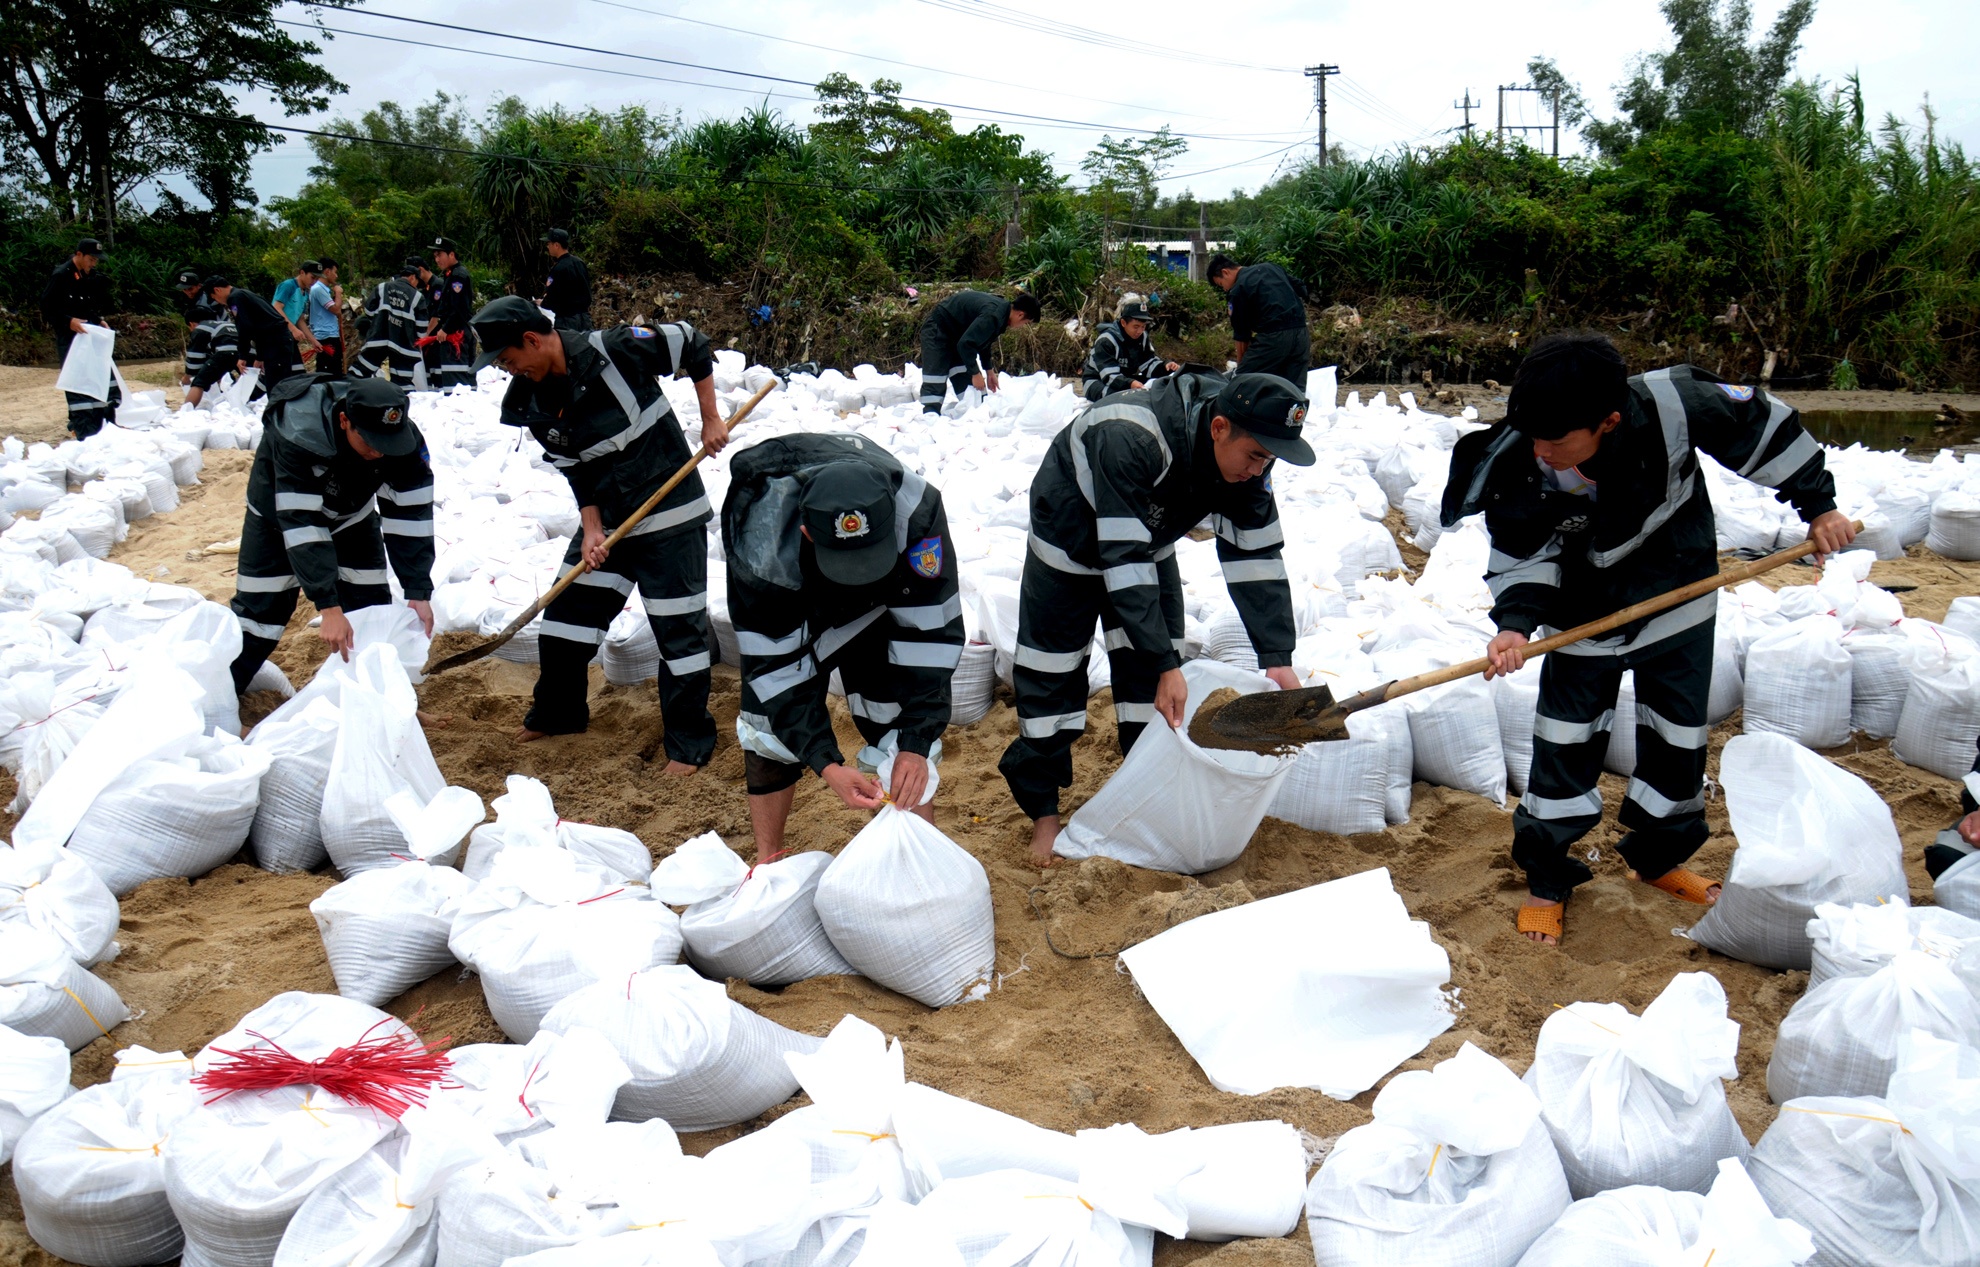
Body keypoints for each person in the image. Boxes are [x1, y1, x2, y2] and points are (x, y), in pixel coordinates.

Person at [1445, 332, 1857, 947]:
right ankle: (1548, 878)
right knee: (1565, 740)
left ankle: (1659, 858)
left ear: (1608, 421)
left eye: (1557, 441)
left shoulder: (1674, 403)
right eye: (1534, 436)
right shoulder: (1516, 456)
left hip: (1676, 586)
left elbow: (1765, 431)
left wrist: (1818, 508)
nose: (1542, 450)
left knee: (1677, 736)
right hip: (1581, 612)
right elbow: (1521, 554)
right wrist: (1513, 625)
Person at [1000, 371, 1314, 865]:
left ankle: (1139, 787)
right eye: (1256, 455)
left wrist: (1277, 658)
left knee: (1153, 683)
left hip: (1146, 541)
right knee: (1051, 675)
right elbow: (1121, 561)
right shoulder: (1130, 435)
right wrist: (1167, 663)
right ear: (1219, 428)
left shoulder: (1249, 463)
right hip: (1070, 541)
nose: (1259, 470)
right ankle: (1045, 814)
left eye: (1269, 459)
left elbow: (1258, 559)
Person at [470, 295, 726, 772]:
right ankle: (558, 715)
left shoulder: (617, 349)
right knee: (565, 619)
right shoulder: (529, 400)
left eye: (508, 360)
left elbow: (693, 344)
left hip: (669, 516)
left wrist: (710, 417)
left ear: (531, 340)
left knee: (680, 637)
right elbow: (575, 470)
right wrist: (590, 531)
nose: (509, 371)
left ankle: (689, 745)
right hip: (609, 525)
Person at [723, 433, 965, 861]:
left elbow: (932, 634)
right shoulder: (763, 552)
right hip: (801, 601)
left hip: (886, 603)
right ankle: (769, 858)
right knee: (766, 722)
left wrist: (915, 741)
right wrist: (827, 764)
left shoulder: (917, 513)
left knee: (895, 715)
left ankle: (918, 859)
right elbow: (775, 670)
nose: (859, 574)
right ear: (806, 534)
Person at [226, 376, 435, 693]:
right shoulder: (299, 433)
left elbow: (411, 511)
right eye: (370, 442)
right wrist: (329, 608)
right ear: (344, 421)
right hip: (278, 519)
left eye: (386, 444)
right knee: (260, 619)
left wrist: (417, 587)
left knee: (371, 613)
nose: (379, 453)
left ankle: (380, 699)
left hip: (352, 515)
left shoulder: (402, 441)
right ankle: (222, 704)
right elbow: (302, 521)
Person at [41, 238, 119, 438]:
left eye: (96, 260)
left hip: (87, 336)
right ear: (79, 255)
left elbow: (85, 306)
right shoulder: (61, 276)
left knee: (96, 378)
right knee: (79, 384)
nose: (93, 264)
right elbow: (47, 308)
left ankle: (99, 425)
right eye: (91, 259)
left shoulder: (85, 276)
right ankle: (82, 429)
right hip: (70, 339)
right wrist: (68, 322)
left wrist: (97, 320)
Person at [916, 289, 1040, 413]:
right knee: (935, 376)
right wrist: (976, 374)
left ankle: (972, 412)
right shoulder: (993, 315)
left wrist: (989, 372)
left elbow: (983, 342)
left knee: (968, 383)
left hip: (958, 335)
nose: (1022, 326)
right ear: (1020, 315)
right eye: (1026, 322)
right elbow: (966, 344)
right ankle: (929, 415)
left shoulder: (1001, 315)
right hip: (938, 329)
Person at [1206, 254, 1310, 387]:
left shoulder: (1238, 290)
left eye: (1221, 285)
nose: (1225, 289)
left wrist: (1242, 368)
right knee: (1294, 387)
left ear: (1225, 272)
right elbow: (1302, 288)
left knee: (1243, 381)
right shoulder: (1271, 268)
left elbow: (1242, 335)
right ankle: (1295, 406)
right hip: (1301, 333)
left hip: (1273, 337)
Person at [212, 277, 307, 390]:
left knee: (277, 387)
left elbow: (244, 327)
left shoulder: (234, 298)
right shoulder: (244, 294)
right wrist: (261, 356)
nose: (218, 302)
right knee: (278, 384)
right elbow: (261, 328)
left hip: (276, 342)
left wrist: (243, 356)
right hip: (277, 341)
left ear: (217, 290)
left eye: (214, 298)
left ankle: (280, 407)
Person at [1080, 293, 1178, 401]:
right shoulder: (1106, 341)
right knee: (1118, 398)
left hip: (1124, 379)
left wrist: (1165, 366)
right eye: (1136, 327)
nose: (1140, 331)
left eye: (1143, 326)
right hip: (1098, 380)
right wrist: (1130, 383)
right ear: (1123, 323)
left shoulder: (1142, 337)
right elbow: (1109, 376)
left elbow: (1148, 363)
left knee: (1156, 388)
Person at [352, 258, 429, 386]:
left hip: (378, 340)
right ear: (412, 277)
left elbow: (368, 311)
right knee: (402, 382)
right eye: (417, 282)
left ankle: (349, 397)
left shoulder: (382, 287)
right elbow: (421, 328)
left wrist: (381, 321)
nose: (416, 286)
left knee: (360, 372)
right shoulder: (417, 296)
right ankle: (399, 405)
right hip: (404, 347)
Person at [422, 237, 477, 390]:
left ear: (451, 254)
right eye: (435, 256)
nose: (437, 259)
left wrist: (445, 329)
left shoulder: (457, 276)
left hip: (456, 334)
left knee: (457, 384)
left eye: (440, 254)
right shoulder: (449, 275)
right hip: (454, 331)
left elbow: (458, 309)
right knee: (455, 381)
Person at [181, 300, 239, 407]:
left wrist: (187, 376)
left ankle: (186, 411)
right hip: (247, 352)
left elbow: (195, 358)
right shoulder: (227, 324)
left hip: (225, 352)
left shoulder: (200, 329)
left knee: (199, 383)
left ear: (192, 324)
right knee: (246, 380)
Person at [541, 229, 592, 331]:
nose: (547, 246)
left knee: (568, 346)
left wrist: (542, 303)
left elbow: (552, 298)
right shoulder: (579, 263)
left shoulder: (558, 268)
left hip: (566, 321)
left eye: (549, 243)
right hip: (585, 319)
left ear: (556, 245)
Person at [272, 261, 323, 361]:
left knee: (297, 370)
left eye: (317, 279)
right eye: (312, 277)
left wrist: (313, 341)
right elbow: (276, 307)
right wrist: (293, 329)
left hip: (288, 336)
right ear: (302, 272)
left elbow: (300, 320)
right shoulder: (288, 286)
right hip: (277, 335)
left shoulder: (305, 294)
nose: (314, 281)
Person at [307, 259, 345, 374]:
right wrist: (338, 293)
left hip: (330, 334)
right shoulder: (318, 289)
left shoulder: (323, 290)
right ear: (327, 271)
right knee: (328, 373)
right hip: (326, 336)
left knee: (335, 370)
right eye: (335, 272)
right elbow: (336, 310)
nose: (336, 276)